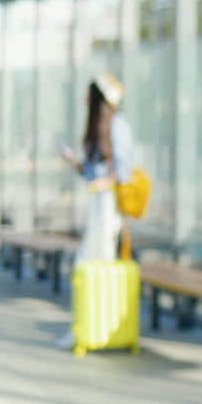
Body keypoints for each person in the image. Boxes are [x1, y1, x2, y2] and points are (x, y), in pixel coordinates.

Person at [61, 72, 134, 265]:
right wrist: (74, 162)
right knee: (92, 252)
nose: (85, 100)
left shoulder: (117, 125)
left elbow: (124, 169)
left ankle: (105, 295)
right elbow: (91, 172)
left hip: (110, 201)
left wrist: (107, 182)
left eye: (89, 95)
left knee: (104, 250)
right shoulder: (98, 130)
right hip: (97, 200)